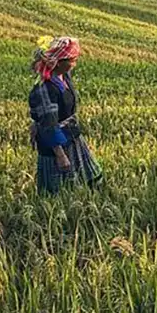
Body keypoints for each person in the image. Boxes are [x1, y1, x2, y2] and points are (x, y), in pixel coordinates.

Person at [29, 36, 103, 194]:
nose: (75, 64)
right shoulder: (45, 89)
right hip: (55, 143)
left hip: (72, 136)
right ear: (59, 62)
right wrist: (60, 155)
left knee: (92, 177)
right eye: (72, 60)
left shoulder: (63, 77)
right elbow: (49, 124)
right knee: (56, 187)